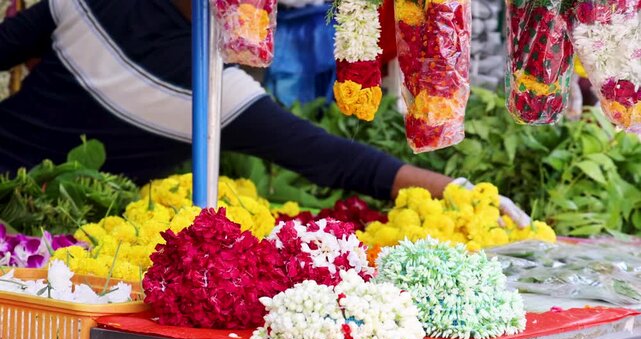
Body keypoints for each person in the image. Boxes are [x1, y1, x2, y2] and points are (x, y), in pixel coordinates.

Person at [0, 0, 531, 227]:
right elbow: (335, 161)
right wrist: (458, 189)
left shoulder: (85, 3)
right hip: (48, 231)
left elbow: (336, 160)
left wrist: (465, 194)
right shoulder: (215, 97)